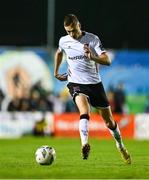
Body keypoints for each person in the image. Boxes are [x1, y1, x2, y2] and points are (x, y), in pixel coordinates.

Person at [54, 14, 131, 164]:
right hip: (75, 82)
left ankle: (120, 146)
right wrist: (56, 72)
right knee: (84, 110)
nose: (71, 34)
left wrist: (92, 57)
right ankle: (84, 144)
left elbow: (107, 60)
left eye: (73, 30)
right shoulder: (64, 41)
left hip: (95, 84)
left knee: (109, 122)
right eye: (68, 31)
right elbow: (59, 53)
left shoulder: (92, 39)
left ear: (79, 25)